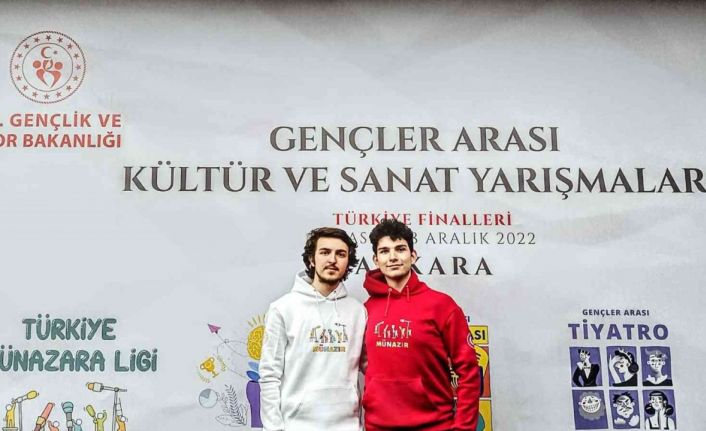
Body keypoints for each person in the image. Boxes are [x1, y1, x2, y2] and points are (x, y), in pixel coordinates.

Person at [362, 219, 480, 430]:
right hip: (378, 426)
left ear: (413, 255)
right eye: (384, 251)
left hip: (435, 425)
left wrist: (463, 428)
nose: (393, 257)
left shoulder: (442, 305)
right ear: (376, 260)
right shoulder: (365, 310)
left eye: (400, 249)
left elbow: (469, 372)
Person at [259, 227, 366, 431]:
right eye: (325, 252)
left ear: (348, 262)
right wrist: (273, 428)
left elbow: (373, 368)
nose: (332, 260)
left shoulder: (358, 311)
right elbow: (269, 374)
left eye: (340, 254)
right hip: (296, 425)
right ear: (311, 259)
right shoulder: (283, 308)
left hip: (348, 426)